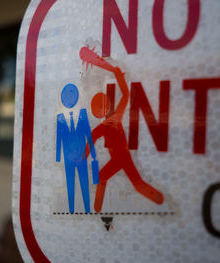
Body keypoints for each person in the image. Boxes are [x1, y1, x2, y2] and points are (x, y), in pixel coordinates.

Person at [80, 45, 164, 212]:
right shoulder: (110, 121)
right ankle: (97, 208)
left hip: (122, 156)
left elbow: (91, 141)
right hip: (121, 157)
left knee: (130, 182)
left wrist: (118, 75)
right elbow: (91, 141)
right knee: (131, 182)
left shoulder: (112, 120)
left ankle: (160, 200)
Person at [56, 83, 97, 214]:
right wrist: (57, 158)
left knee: (85, 183)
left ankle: (87, 209)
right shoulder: (60, 117)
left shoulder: (83, 114)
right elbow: (59, 139)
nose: (69, 98)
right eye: (67, 95)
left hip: (82, 155)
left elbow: (89, 135)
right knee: (70, 185)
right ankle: (72, 211)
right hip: (68, 157)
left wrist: (94, 153)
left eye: (72, 94)